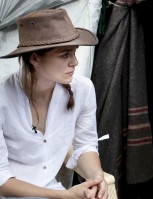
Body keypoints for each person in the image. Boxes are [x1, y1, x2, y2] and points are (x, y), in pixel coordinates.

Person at [0, 8, 108, 199]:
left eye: (74, 53)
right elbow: (1, 180)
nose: (74, 62)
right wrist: (64, 196)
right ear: (35, 59)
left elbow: (85, 145)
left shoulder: (83, 89)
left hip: (54, 192)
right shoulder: (3, 97)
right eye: (65, 55)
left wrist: (97, 177)